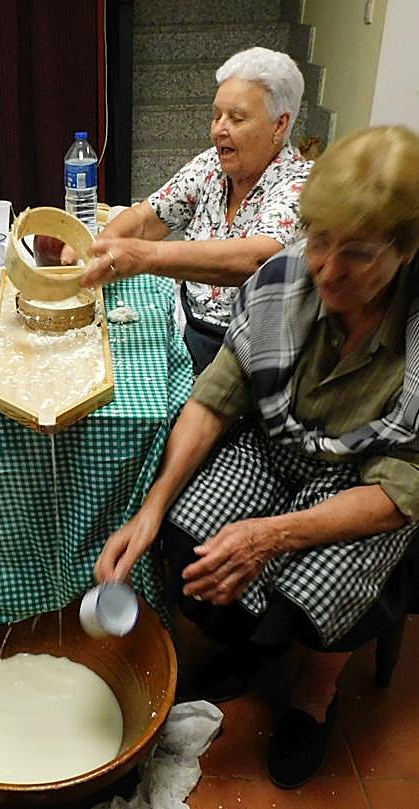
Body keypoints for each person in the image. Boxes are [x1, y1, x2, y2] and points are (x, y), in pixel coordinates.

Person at [94, 126, 419, 788]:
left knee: (318, 589)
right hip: (280, 449)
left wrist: (271, 535)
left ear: (406, 248)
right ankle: (248, 645)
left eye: (355, 253)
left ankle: (312, 691)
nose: (325, 268)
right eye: (318, 240)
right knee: (187, 532)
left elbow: (400, 488)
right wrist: (150, 510)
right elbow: (216, 396)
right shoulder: (283, 278)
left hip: (366, 486)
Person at [76, 46, 312, 372]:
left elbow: (256, 259)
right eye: (216, 116)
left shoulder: (301, 184)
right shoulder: (212, 165)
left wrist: (144, 257)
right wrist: (98, 249)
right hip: (190, 329)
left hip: (254, 354)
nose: (218, 129)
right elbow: (147, 219)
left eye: (236, 118)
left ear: (279, 125)